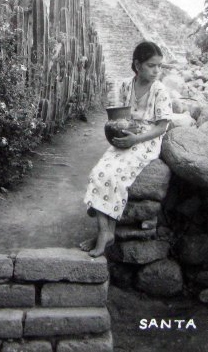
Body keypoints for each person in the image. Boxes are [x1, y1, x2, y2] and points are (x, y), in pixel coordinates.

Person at [80, 41, 172, 257]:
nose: (157, 71)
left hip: (146, 141)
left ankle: (105, 234)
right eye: (151, 65)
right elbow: (117, 116)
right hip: (126, 135)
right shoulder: (125, 86)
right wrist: (116, 132)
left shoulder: (160, 91)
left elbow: (162, 127)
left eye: (159, 66)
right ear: (137, 65)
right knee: (98, 173)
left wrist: (136, 139)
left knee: (116, 174)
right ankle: (106, 232)